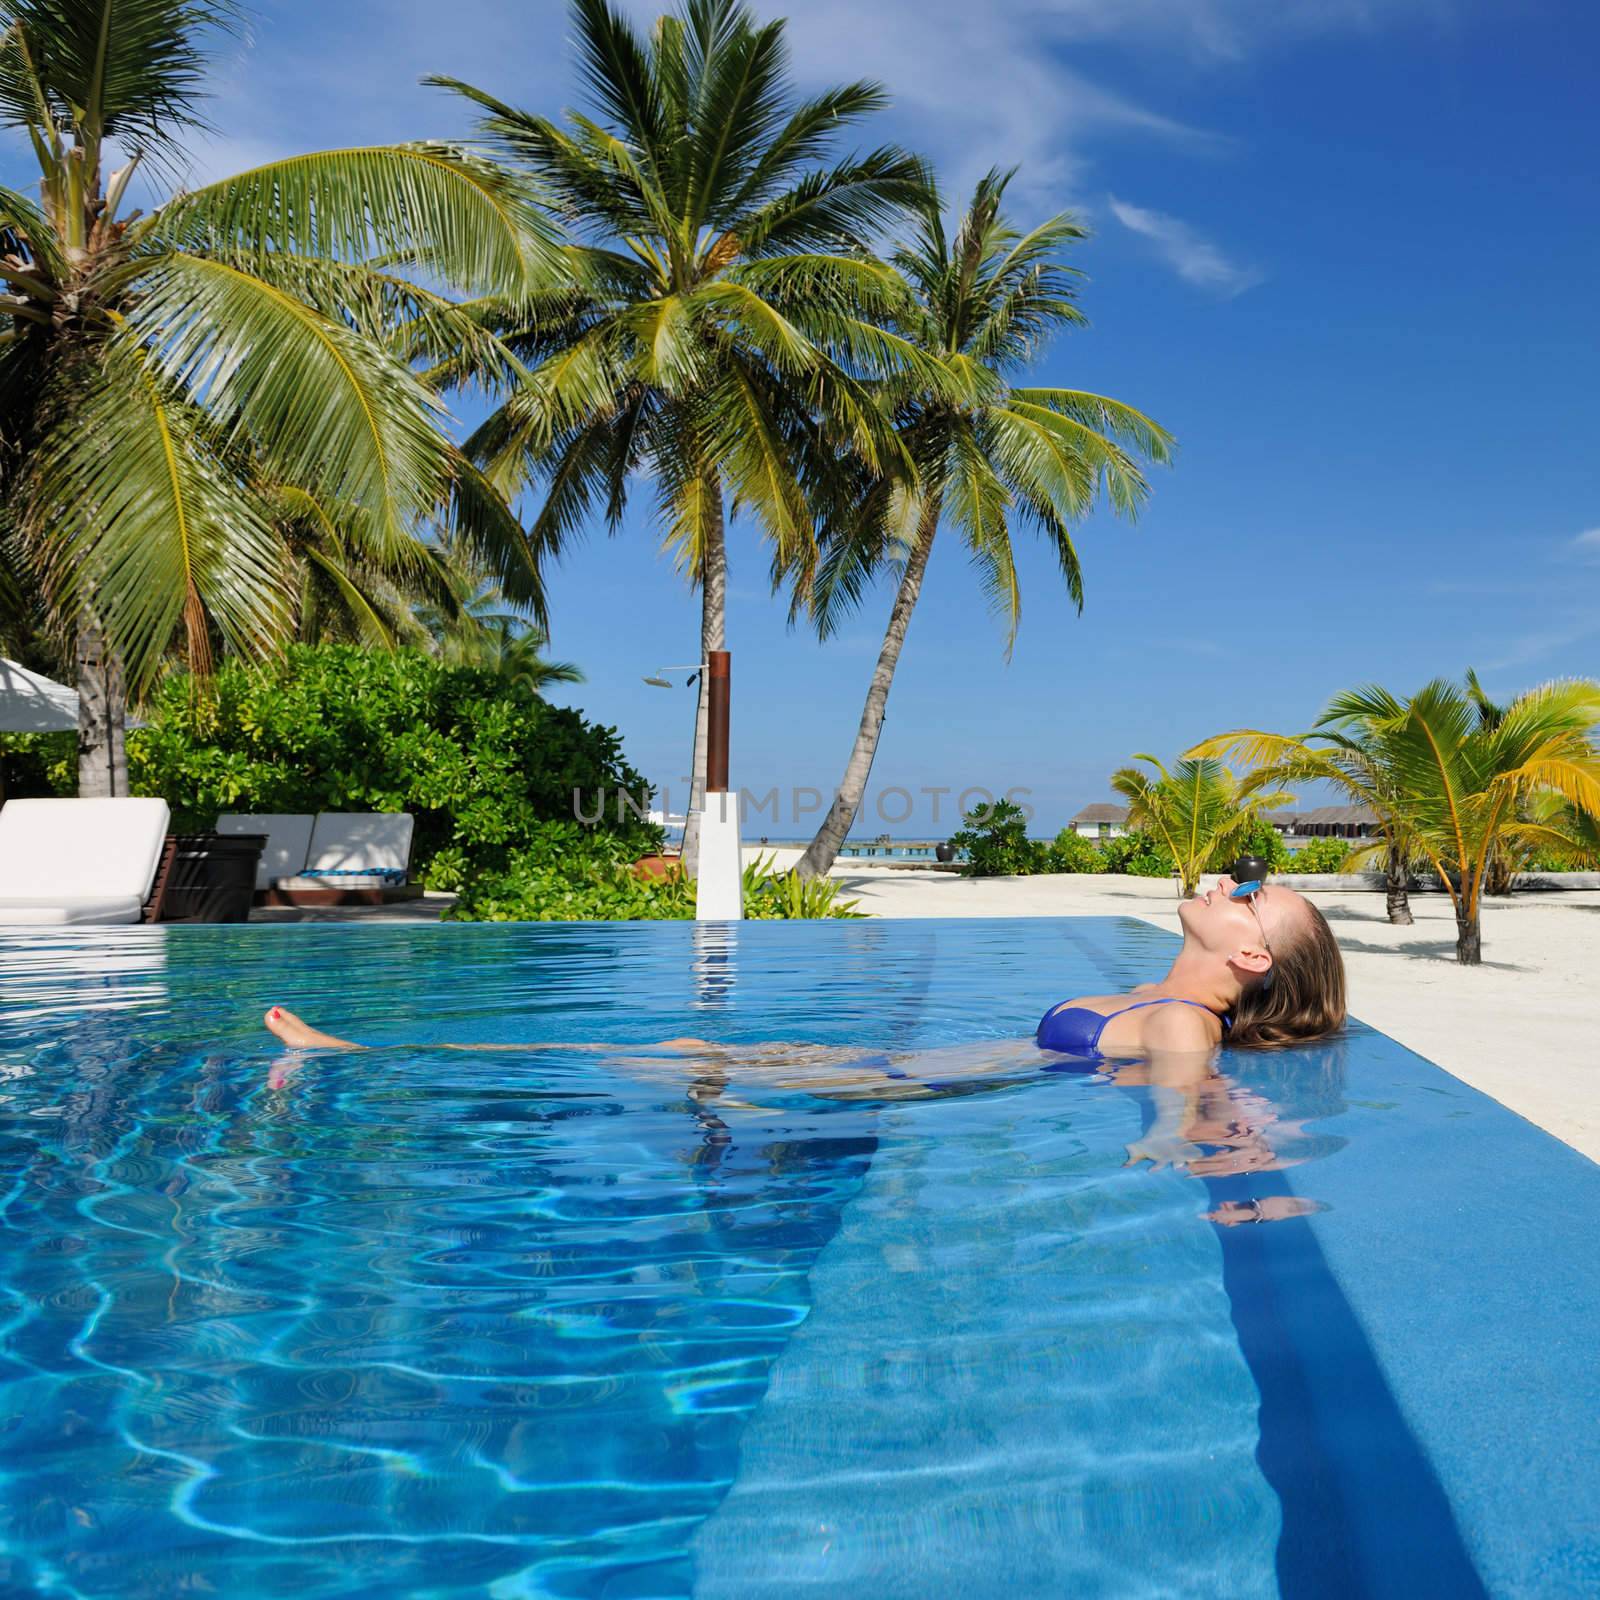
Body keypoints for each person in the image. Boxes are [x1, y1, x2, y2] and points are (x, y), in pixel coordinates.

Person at [262, 873, 1346, 1220]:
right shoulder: (1156, 990)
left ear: (1251, 955)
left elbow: (1185, 1090)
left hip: (875, 1087)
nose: (1229, 881)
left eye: (1251, 893)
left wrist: (1185, 1145)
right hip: (878, 1074)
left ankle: (363, 1058)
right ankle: (373, 1056)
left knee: (630, 1058)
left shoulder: (1181, 1018)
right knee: (658, 1049)